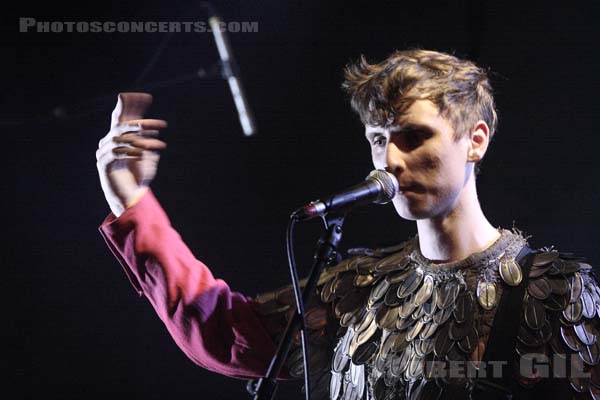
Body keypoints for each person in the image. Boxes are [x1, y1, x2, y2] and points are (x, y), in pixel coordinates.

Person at [96, 50, 600, 399]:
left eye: (413, 136)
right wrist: (131, 199)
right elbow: (225, 333)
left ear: (476, 140)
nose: (391, 159)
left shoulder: (552, 292)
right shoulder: (356, 287)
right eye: (378, 139)